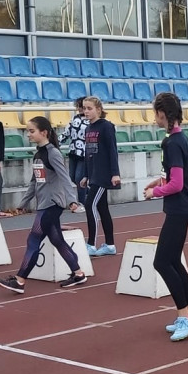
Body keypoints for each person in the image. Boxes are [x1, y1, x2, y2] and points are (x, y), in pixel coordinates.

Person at [0, 116, 87, 295]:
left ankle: (20, 280)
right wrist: (23, 203)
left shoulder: (53, 153)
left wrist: (72, 201)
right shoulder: (38, 154)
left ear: (43, 132)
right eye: (27, 131)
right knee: (57, 240)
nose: (28, 134)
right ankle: (78, 273)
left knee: (33, 239)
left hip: (52, 204)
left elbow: (65, 178)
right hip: (44, 203)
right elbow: (34, 182)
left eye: (31, 131)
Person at [143, 93, 188, 342]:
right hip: (183, 206)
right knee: (174, 262)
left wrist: (154, 192)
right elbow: (181, 176)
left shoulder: (172, 143)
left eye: (155, 114)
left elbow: (177, 184)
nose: (154, 119)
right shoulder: (180, 139)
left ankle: (184, 316)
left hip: (179, 208)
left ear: (162, 114)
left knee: (162, 262)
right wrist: (159, 181)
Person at [80, 96, 120, 256]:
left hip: (103, 174)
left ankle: (91, 244)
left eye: (89, 108)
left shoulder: (106, 126)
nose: (86, 111)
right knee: (102, 208)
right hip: (93, 174)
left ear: (98, 109)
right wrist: (85, 175)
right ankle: (110, 245)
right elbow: (87, 154)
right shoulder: (88, 129)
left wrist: (115, 173)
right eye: (84, 108)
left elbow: (112, 150)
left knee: (89, 205)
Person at [59, 97, 88, 211]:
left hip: (84, 153)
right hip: (73, 151)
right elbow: (66, 133)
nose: (80, 109)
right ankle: (89, 192)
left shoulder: (91, 120)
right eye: (79, 106)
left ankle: (82, 203)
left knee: (79, 178)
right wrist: (56, 142)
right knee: (72, 177)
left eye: (82, 107)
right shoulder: (74, 118)